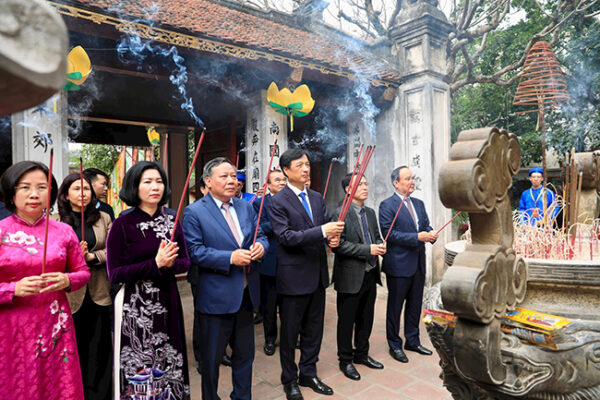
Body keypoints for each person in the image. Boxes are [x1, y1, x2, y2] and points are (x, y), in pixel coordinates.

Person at [0, 161, 90, 398]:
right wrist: (12, 289)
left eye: (42, 187)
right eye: (25, 187)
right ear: (11, 192)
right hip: (9, 327)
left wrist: (67, 280)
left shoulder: (64, 231)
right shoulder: (0, 232)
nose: (34, 194)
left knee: (56, 386)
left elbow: (83, 272)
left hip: (54, 325)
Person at [183, 157, 267, 400]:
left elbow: (260, 234)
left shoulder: (245, 207)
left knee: (245, 355)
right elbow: (195, 252)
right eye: (224, 176)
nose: (232, 181)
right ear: (208, 181)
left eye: (234, 176)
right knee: (211, 359)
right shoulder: (194, 212)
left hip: (245, 294)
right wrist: (230, 257)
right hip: (216, 297)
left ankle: (242, 396)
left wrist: (261, 246)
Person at [106, 161, 190, 400]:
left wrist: (170, 264)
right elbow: (115, 273)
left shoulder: (172, 220)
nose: (155, 187)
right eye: (148, 182)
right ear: (135, 186)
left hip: (168, 298)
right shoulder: (122, 225)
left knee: (170, 357)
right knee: (139, 362)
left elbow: (186, 263)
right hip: (135, 304)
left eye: (159, 181)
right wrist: (155, 263)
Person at [268, 148, 344, 400]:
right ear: (286, 170)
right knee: (290, 334)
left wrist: (333, 236)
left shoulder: (316, 197)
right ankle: (289, 379)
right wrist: (323, 231)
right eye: (299, 165)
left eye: (308, 164)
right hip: (293, 278)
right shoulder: (278, 201)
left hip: (317, 275)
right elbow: (286, 237)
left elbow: (327, 225)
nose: (305, 169)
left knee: (314, 330)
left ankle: (308, 373)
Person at [53, 173, 112, 400]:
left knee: (99, 350)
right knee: (71, 350)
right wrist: (74, 257)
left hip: (99, 292)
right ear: (66, 195)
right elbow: (49, 258)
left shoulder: (103, 218)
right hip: (68, 296)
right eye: (76, 189)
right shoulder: (56, 222)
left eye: (86, 188)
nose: (82, 193)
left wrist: (91, 257)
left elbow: (113, 252)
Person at [379, 166, 437, 364]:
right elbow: (388, 234)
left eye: (413, 178)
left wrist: (431, 233)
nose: (412, 182)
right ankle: (395, 344)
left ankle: (413, 340)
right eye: (407, 179)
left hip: (418, 264)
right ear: (396, 183)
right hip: (398, 265)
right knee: (395, 307)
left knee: (414, 306)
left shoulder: (419, 204)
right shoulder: (387, 205)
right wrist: (417, 237)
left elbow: (425, 226)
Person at [331, 174, 386, 380]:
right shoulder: (340, 214)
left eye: (365, 183)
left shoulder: (370, 213)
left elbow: (376, 237)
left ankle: (362, 354)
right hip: (350, 276)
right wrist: (368, 249)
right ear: (348, 189)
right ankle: (345, 360)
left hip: (370, 273)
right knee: (346, 321)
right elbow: (339, 246)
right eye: (359, 184)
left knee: (366, 317)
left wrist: (380, 245)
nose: (365, 187)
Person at [254, 169, 286, 356]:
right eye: (277, 180)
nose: (282, 183)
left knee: (289, 305)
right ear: (268, 184)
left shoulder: (293, 201)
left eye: (283, 180)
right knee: (269, 305)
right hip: (270, 262)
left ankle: (289, 337)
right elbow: (258, 227)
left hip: (291, 261)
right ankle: (270, 339)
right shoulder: (259, 204)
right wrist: (278, 223)